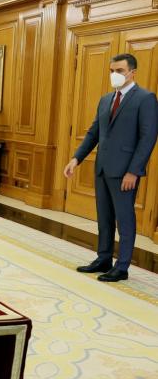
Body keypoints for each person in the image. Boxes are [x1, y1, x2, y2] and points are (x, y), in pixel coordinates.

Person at [64, 53, 158, 282]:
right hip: (102, 168)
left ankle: (122, 266)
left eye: (120, 71)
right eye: (112, 71)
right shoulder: (106, 99)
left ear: (132, 72)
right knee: (104, 218)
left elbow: (148, 138)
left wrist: (134, 171)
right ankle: (103, 258)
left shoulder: (145, 98)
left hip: (125, 171)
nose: (114, 75)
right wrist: (76, 158)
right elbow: (93, 133)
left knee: (124, 220)